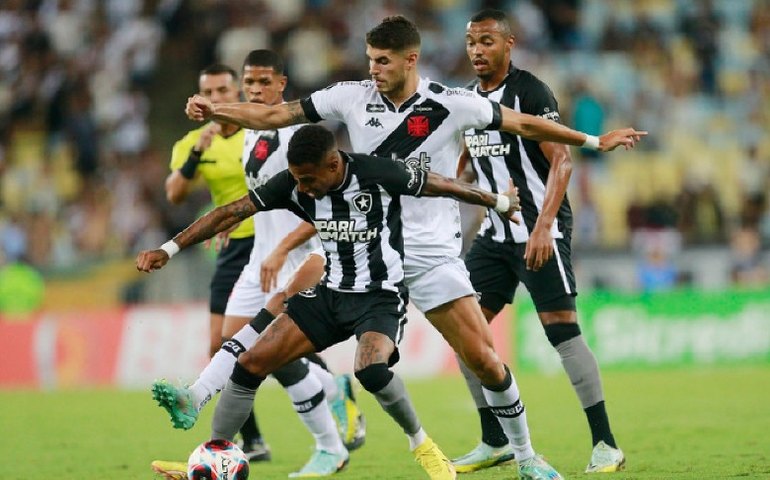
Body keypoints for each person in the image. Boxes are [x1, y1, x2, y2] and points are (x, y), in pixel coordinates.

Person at [183, 16, 645, 480]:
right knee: (271, 323)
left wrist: (591, 140)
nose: (373, 70)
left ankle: (526, 456)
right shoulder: (350, 96)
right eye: (369, 60)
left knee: (482, 358)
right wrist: (217, 112)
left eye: (382, 61)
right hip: (363, 252)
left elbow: (526, 125)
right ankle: (226, 412)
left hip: (428, 256)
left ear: (410, 59)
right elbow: (274, 115)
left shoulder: (451, 104)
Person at [136, 123, 526, 480]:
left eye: (309, 179)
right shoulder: (292, 182)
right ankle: (210, 454)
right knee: (251, 362)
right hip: (328, 294)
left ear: (333, 164)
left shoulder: (375, 172)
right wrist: (169, 249)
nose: (302, 188)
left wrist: (498, 202)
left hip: (379, 297)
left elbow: (439, 184)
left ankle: (422, 444)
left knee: (370, 371)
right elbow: (230, 211)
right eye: (297, 179)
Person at [151, 51, 364, 479]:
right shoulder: (250, 134)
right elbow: (255, 200)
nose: (256, 90)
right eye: (250, 83)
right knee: (236, 344)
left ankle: (326, 445)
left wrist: (284, 248)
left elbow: (327, 203)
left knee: (257, 353)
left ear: (282, 84)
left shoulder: (299, 134)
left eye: (265, 83)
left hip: (293, 258)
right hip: (258, 257)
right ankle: (329, 389)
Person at [451, 9, 625, 474]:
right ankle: (494, 441)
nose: (476, 50)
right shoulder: (468, 100)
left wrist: (544, 225)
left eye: (486, 41)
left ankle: (606, 444)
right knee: (464, 334)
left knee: (562, 333)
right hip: (493, 235)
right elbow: (466, 167)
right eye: (471, 42)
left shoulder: (530, 91)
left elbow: (561, 162)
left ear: (509, 44)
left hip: (538, 233)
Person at [164, 63, 267, 461]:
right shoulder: (194, 141)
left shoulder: (258, 131)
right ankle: (252, 438)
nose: (217, 98)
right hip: (231, 249)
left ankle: (329, 394)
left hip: (268, 241)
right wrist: (195, 154)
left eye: (224, 90)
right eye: (209, 91)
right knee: (220, 343)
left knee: (285, 336)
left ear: (236, 91)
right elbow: (174, 193)